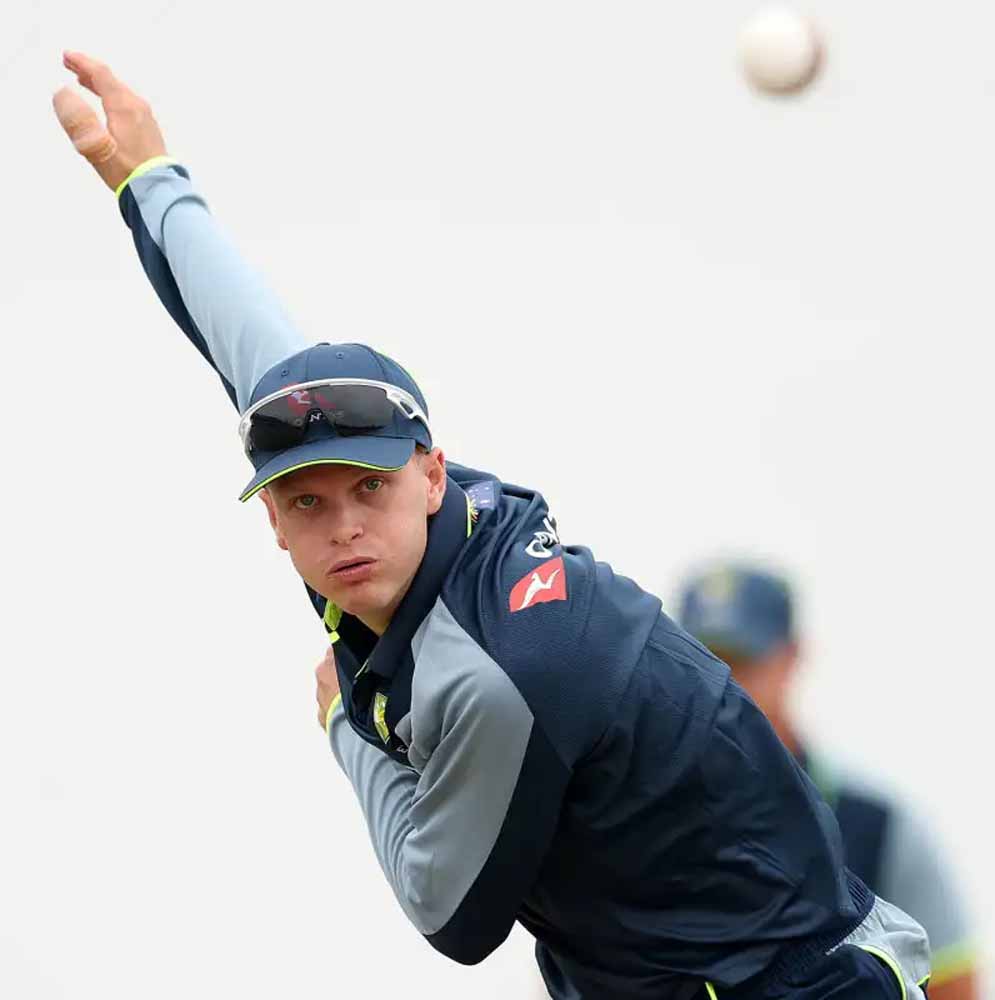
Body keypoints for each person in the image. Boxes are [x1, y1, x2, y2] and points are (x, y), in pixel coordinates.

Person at [53, 51, 932, 1000]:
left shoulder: (499, 670)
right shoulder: (413, 515)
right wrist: (146, 175)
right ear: (272, 517)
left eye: (370, 490)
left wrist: (346, 726)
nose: (344, 526)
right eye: (307, 501)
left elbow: (451, 915)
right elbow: (239, 328)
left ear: (431, 475)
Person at [677, 563, 977, 1000]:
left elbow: (954, 987)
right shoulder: (640, 821)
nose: (723, 681)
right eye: (703, 660)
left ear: (792, 657)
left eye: (745, 662)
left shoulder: (880, 827)